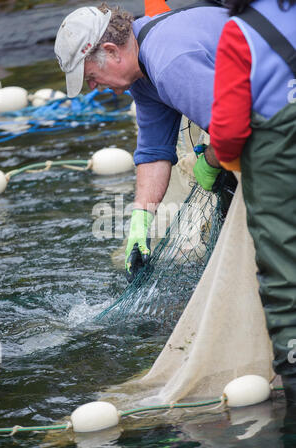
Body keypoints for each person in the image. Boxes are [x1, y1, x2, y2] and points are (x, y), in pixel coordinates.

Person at [54, 1, 233, 283]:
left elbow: (235, 128)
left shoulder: (168, 62)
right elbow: (153, 152)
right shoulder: (142, 73)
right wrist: (140, 224)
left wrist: (210, 163)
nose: (92, 86)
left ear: (111, 52)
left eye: (90, 76)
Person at [209, 0, 296, 404]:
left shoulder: (240, 32)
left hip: (278, 168)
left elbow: (227, 129)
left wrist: (227, 161)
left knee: (285, 270)